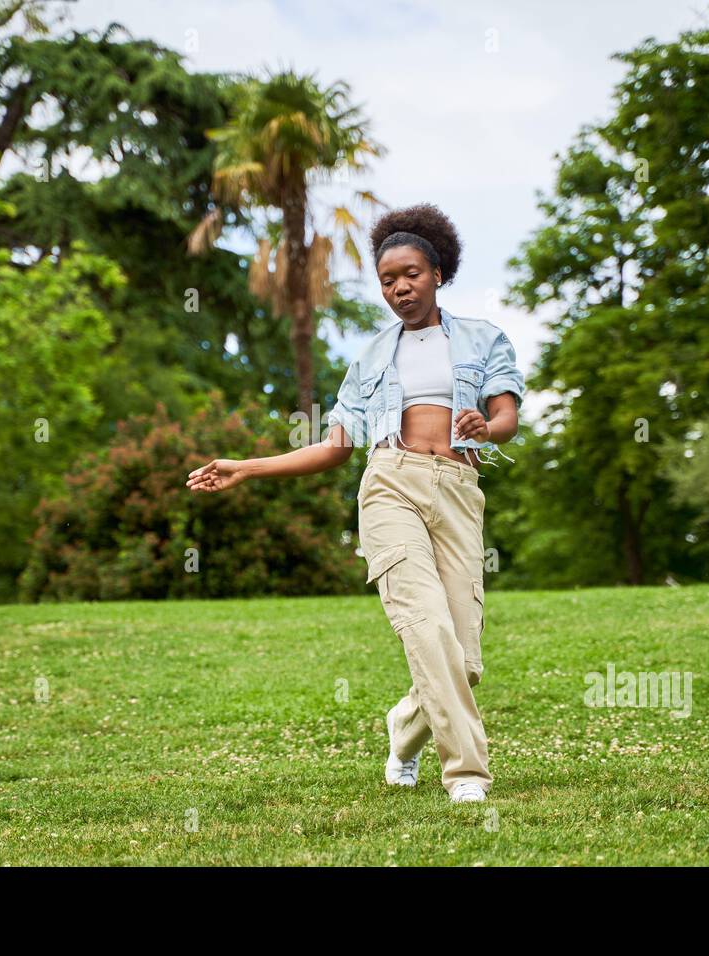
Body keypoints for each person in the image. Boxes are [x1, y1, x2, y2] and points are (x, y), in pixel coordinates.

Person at [186, 203, 526, 803]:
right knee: (426, 630)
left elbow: (507, 418)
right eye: (388, 280)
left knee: (464, 660)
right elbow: (336, 446)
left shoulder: (483, 338)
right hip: (390, 484)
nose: (400, 288)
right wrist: (248, 466)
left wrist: (486, 427)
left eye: (412, 274)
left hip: (458, 489)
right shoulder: (370, 355)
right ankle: (467, 775)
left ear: (438, 272)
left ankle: (404, 731)